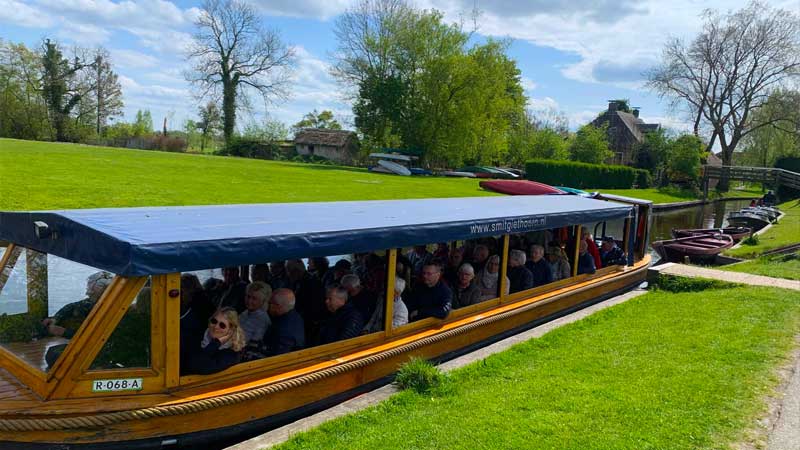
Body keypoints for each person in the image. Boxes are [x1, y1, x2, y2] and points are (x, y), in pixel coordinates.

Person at [42, 271, 113, 339]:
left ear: (100, 287)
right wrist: (55, 318)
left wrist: (65, 332)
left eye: (90, 283)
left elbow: (96, 335)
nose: (88, 286)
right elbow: (71, 306)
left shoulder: (106, 308)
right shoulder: (91, 303)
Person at [181, 307, 245, 375]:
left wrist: (216, 343)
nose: (216, 327)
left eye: (222, 325)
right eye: (214, 321)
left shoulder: (231, 354)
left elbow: (199, 366)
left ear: (230, 331)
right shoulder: (197, 336)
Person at [285, 259, 325, 342]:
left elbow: (313, 306)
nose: (288, 274)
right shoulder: (298, 282)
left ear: (296, 271)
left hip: (310, 323)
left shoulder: (311, 283)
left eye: (289, 271)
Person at [263, 289, 305, 356]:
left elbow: (277, 356)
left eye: (270, 303)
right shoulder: (295, 316)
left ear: (278, 306)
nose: (268, 306)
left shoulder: (283, 330)